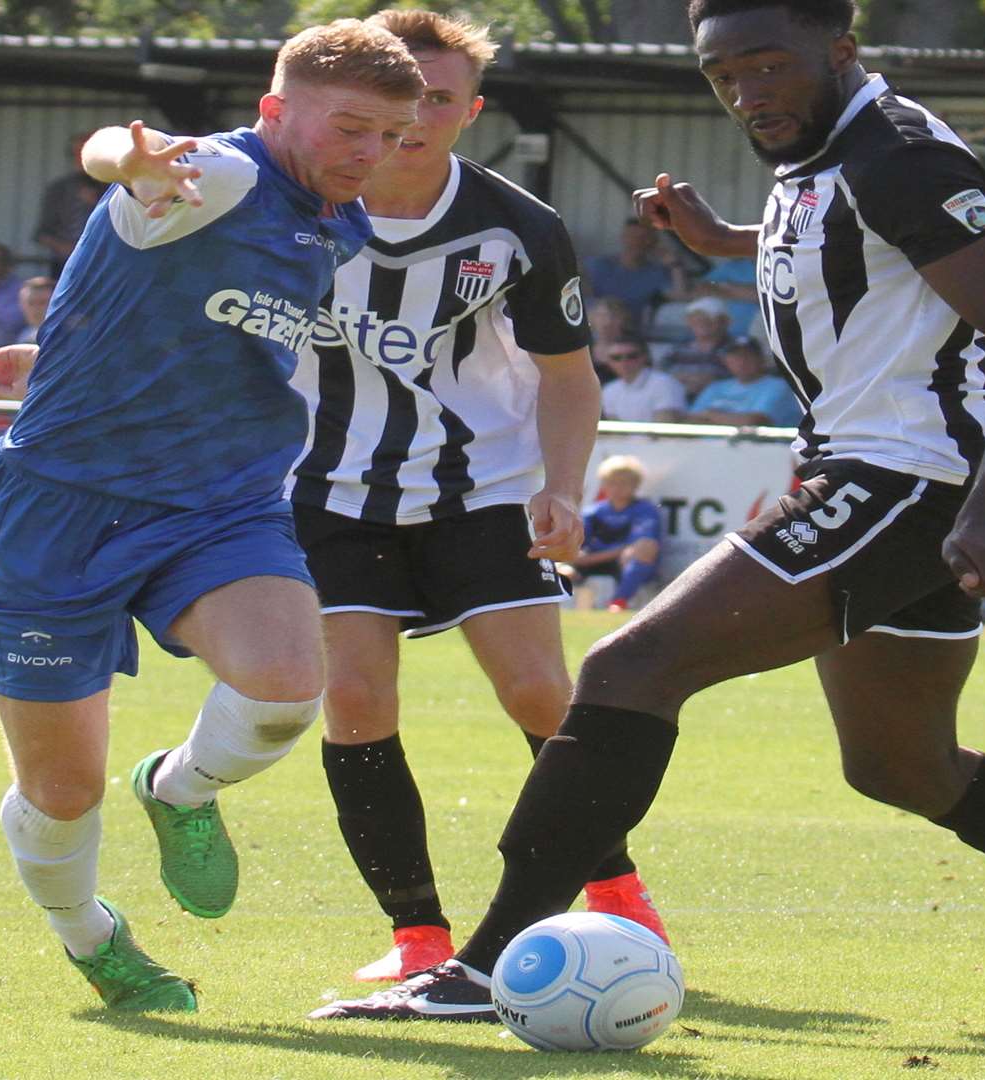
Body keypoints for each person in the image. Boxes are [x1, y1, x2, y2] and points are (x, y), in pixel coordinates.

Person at [314, 0, 985, 1030]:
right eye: (723, 75)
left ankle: (480, 969)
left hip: (909, 480)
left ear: (842, 52)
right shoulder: (831, 151)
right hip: (884, 474)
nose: (748, 93)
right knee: (902, 764)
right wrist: (724, 241)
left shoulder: (902, 153)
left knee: (626, 673)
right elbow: (863, 255)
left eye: (767, 66)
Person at [0, 21, 424, 1013]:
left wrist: (54, 359)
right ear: (276, 112)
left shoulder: (343, 222)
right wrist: (135, 153)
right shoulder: (218, 177)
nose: (369, 153)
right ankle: (93, 939)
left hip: (218, 499)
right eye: (351, 127)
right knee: (62, 793)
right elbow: (113, 158)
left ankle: (180, 789)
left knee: (288, 684)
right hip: (60, 508)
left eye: (390, 136)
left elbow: (195, 322)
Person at [277, 8, 663, 985]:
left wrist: (566, 488)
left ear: (468, 111)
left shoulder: (521, 228)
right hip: (328, 490)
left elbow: (569, 377)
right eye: (396, 96)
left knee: (540, 692)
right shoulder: (289, 209)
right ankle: (418, 936)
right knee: (355, 699)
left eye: (437, 98)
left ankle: (618, 895)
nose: (411, 119)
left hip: (483, 488)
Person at [563, 454, 663, 612]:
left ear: (635, 485)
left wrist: (591, 558)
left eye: (624, 483)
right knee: (559, 566)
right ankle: (554, 607)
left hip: (622, 564)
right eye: (612, 483)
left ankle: (618, 602)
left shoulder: (645, 509)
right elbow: (576, 548)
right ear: (603, 485)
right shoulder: (593, 512)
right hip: (590, 564)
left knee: (645, 549)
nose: (617, 488)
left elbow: (641, 546)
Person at [688, 336, 806, 426]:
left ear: (761, 359)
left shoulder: (778, 386)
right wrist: (729, 419)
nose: (742, 362)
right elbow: (690, 420)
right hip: (707, 449)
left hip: (762, 450)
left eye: (748, 356)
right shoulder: (715, 387)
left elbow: (755, 421)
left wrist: (710, 415)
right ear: (726, 361)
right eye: (735, 357)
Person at [585, 219, 682, 327]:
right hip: (593, 325)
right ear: (623, 237)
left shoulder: (655, 273)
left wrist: (675, 265)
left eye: (644, 238)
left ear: (653, 242)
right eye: (632, 237)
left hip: (629, 330)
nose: (637, 242)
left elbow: (680, 296)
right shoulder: (598, 265)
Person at [33, 132, 102, 275]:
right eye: (77, 153)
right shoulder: (59, 189)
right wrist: (66, 248)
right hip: (65, 263)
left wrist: (96, 204)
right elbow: (42, 233)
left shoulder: (115, 188)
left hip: (103, 261)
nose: (81, 158)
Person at [660, 295, 734, 399]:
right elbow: (661, 374)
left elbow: (734, 380)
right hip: (677, 398)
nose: (702, 322)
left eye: (709, 318)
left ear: (725, 322)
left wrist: (684, 379)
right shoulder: (677, 348)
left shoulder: (735, 348)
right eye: (696, 318)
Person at [598, 336, 687, 422]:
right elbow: (615, 431)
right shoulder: (609, 390)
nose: (624, 362)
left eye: (632, 356)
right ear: (608, 361)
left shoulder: (664, 384)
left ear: (645, 356)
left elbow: (664, 427)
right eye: (616, 357)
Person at [14, 276, 55, 343]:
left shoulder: (67, 336)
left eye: (42, 302)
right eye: (31, 303)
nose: (36, 309)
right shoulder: (25, 336)